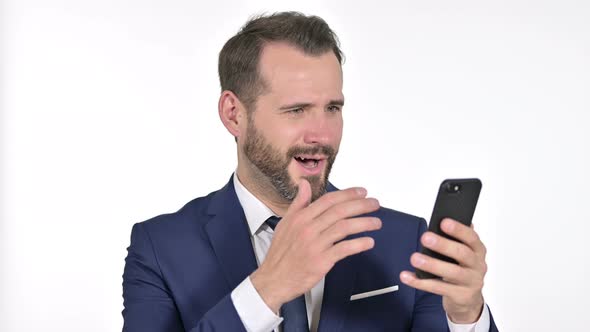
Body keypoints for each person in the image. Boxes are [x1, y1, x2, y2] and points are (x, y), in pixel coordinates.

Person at [122, 12, 499, 332]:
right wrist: (264, 291)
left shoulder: (406, 241)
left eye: (332, 108)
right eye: (297, 110)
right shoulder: (160, 248)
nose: (321, 134)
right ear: (233, 114)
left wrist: (466, 316)